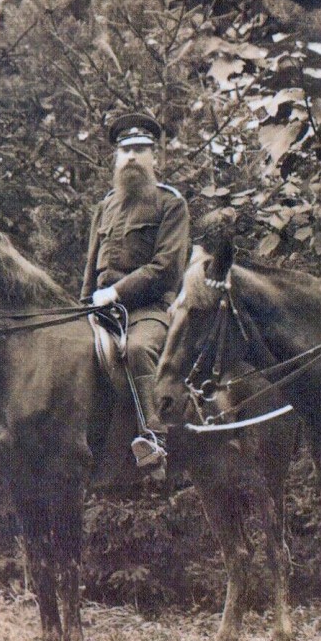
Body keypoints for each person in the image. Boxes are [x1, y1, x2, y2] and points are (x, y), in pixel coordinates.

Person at [81, 110, 190, 474]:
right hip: (100, 311)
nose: (131, 156)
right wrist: (83, 305)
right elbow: (90, 267)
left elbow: (167, 267)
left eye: (140, 149)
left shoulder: (170, 204)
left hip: (149, 310)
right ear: (116, 157)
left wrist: (116, 292)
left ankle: (154, 440)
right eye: (124, 149)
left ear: (154, 157)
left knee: (140, 348)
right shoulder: (105, 207)